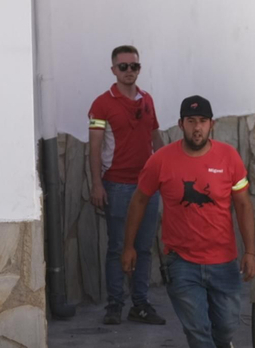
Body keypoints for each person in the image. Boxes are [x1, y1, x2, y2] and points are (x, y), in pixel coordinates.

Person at [122, 95, 255, 348]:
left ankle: (224, 346)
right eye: (191, 122)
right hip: (180, 260)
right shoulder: (161, 160)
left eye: (203, 122)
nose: (197, 128)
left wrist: (250, 252)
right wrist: (128, 246)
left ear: (212, 125)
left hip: (223, 260)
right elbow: (139, 200)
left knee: (226, 323)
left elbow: (243, 204)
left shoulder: (229, 158)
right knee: (196, 326)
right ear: (181, 124)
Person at [88, 44, 165, 326]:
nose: (129, 71)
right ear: (113, 70)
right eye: (124, 67)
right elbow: (94, 148)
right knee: (118, 247)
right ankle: (114, 304)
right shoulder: (101, 104)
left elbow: (155, 137)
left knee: (143, 248)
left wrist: (168, 172)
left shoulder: (148, 100)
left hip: (147, 186)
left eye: (134, 66)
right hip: (117, 186)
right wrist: (97, 184)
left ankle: (140, 305)